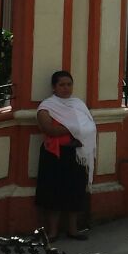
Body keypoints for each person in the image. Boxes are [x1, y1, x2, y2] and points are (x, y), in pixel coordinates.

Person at [34, 70, 95, 240]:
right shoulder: (47, 106)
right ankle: (52, 232)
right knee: (53, 193)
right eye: (62, 85)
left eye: (69, 84)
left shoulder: (78, 104)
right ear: (54, 87)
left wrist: (76, 128)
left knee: (75, 191)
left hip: (76, 154)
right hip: (54, 155)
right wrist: (77, 127)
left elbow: (89, 127)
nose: (66, 88)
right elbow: (49, 129)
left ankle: (73, 230)